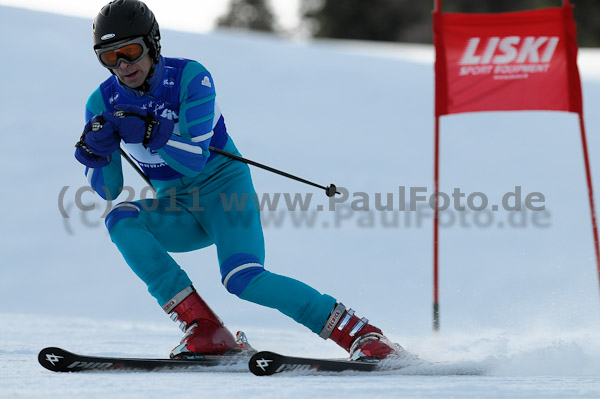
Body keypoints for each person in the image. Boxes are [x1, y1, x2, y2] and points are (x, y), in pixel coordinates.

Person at [75, 0, 402, 361]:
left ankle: (362, 334)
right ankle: (205, 328)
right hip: (179, 207)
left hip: (223, 193)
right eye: (110, 57)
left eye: (131, 51)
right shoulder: (101, 101)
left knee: (242, 278)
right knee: (120, 218)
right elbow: (109, 189)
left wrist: (154, 131)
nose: (123, 65)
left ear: (152, 43)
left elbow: (195, 160)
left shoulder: (190, 78)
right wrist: (98, 154)